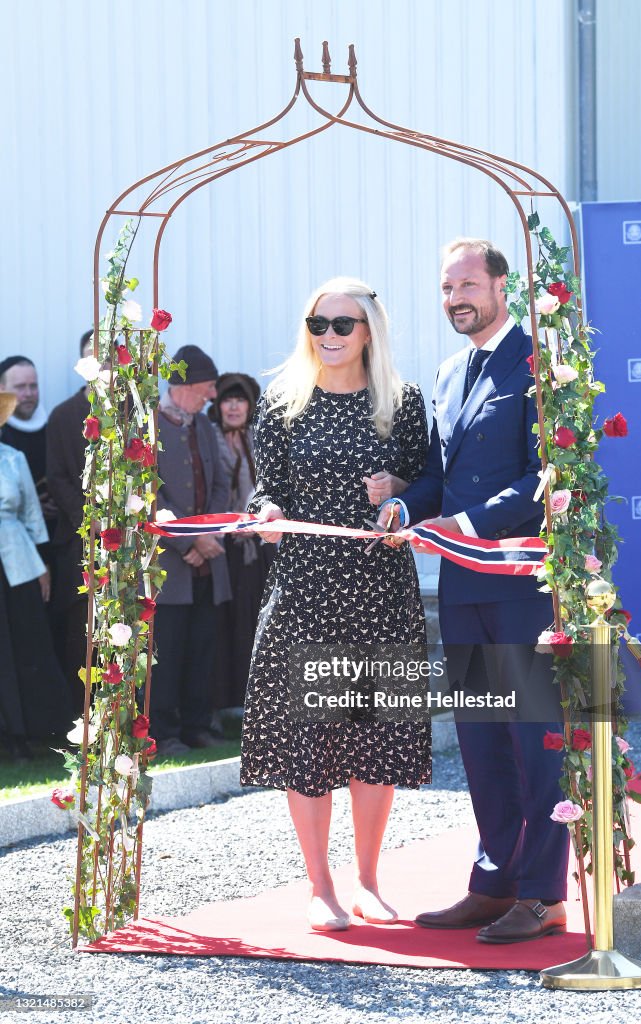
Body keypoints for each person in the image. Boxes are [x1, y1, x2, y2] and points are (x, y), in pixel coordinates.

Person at [379, 238, 569, 944]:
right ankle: (494, 884)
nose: (454, 298)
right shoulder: (449, 372)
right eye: (445, 287)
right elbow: (441, 474)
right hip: (463, 586)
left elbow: (543, 476)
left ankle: (544, 895)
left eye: (466, 285)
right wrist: (406, 506)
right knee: (483, 743)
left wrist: (461, 526)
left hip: (521, 583)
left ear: (500, 287)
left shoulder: (540, 363)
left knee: (534, 741)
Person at [240, 277, 431, 932]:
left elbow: (425, 485)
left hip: (380, 591)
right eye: (317, 323)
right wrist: (267, 513)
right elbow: (266, 490)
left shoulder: (402, 402)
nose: (327, 335)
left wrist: (398, 487)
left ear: (369, 331)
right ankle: (319, 887)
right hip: (307, 592)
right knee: (310, 742)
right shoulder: (281, 402)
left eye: (341, 324)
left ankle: (368, 883)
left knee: (375, 737)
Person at [150, 345, 232, 756]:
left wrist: (209, 535)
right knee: (167, 651)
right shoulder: (148, 424)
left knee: (202, 648)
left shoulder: (203, 424)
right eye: (208, 387)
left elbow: (220, 483)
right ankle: (164, 733)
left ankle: (198, 726)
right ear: (186, 385)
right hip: (168, 565)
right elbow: (148, 494)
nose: (213, 396)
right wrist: (189, 540)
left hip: (207, 560)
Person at [0, 393, 71, 760]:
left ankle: (29, 731)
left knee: (26, 643)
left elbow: (32, 514)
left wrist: (42, 566)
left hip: (18, 560)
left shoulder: (13, 458)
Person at [208, 373, 275, 714]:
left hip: (259, 547)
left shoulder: (260, 438)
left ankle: (260, 700)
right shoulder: (209, 437)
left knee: (259, 617)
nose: (233, 407)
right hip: (221, 546)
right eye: (227, 400)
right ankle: (226, 702)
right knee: (225, 622)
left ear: (250, 406)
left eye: (240, 400)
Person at [46, 331, 94, 711]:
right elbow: (57, 478)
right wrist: (88, 519)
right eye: (93, 354)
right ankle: (81, 715)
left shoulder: (134, 410)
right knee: (82, 629)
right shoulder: (64, 415)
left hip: (128, 541)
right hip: (81, 542)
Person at [0, 355, 57, 567]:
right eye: (20, 387)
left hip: (51, 537)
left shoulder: (51, 428)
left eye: (33, 386)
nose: (29, 393)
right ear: (2, 389)